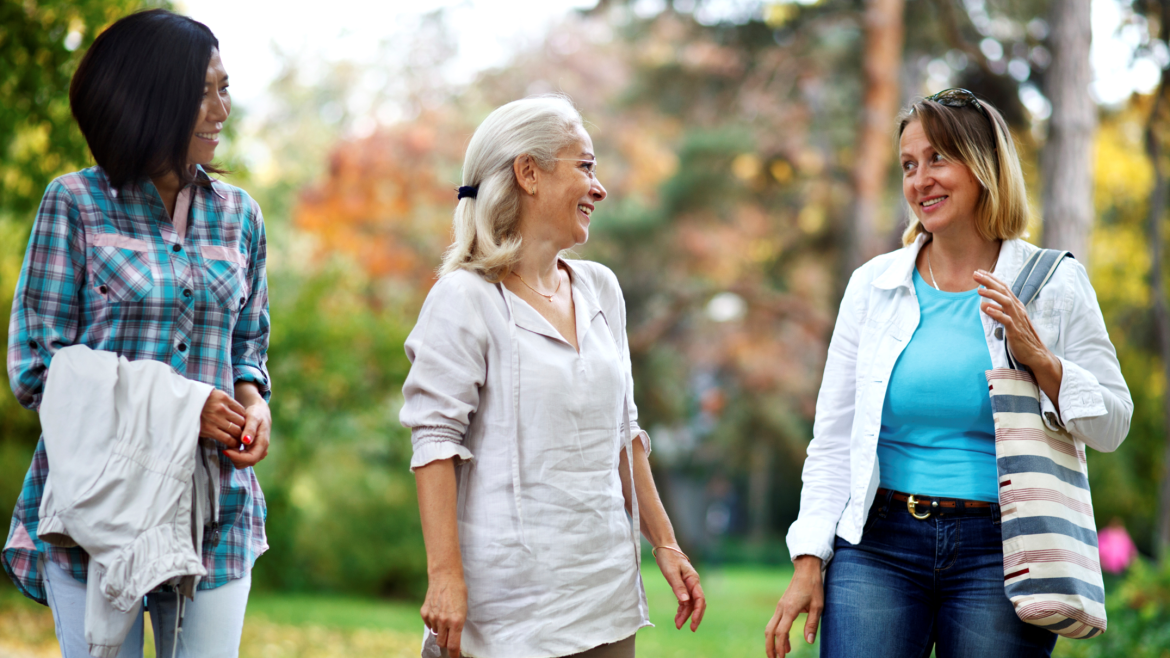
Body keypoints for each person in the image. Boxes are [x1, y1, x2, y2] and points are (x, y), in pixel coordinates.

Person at [764, 89, 1132, 658]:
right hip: (878, 545)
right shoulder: (874, 286)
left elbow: (1113, 423)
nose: (920, 180)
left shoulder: (1052, 284)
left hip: (1004, 551)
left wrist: (1040, 359)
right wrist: (809, 559)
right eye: (909, 165)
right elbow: (834, 439)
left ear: (983, 167)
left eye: (938, 158)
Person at [2, 9, 271, 657]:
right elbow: (35, 367)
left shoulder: (240, 217)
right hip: (103, 505)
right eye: (203, 91)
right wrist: (181, 407)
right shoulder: (75, 203)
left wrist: (253, 402)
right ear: (153, 97)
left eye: (225, 88)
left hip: (215, 508)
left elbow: (250, 344)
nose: (221, 109)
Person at [400, 95, 706, 658]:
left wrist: (665, 543)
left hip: (605, 596)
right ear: (528, 173)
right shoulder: (464, 298)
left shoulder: (600, 290)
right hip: (506, 613)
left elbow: (624, 432)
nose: (600, 187)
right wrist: (444, 576)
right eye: (585, 166)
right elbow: (435, 442)